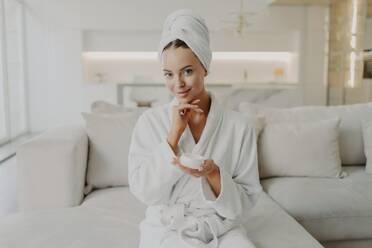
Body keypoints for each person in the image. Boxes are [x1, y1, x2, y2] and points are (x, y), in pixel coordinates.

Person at [128, 9, 262, 248]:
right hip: (167, 228)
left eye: (187, 71)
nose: (177, 84)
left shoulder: (239, 127)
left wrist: (213, 174)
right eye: (169, 74)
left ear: (205, 67)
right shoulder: (149, 122)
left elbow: (246, 201)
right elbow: (144, 192)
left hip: (220, 229)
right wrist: (173, 136)